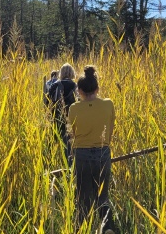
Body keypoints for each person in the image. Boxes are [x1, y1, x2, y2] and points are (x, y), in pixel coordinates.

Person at [68, 65, 116, 234]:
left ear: (79, 90)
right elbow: (110, 129)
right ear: (97, 88)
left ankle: (81, 228)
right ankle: (107, 228)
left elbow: (73, 134)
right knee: (102, 197)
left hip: (82, 156)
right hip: (103, 153)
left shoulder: (73, 108)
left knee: (83, 198)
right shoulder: (108, 104)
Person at [48, 63, 77, 165]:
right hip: (71, 118)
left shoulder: (55, 84)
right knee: (69, 144)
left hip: (56, 117)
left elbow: (47, 101)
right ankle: (69, 166)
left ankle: (55, 164)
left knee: (56, 142)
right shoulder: (74, 85)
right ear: (72, 72)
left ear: (61, 73)